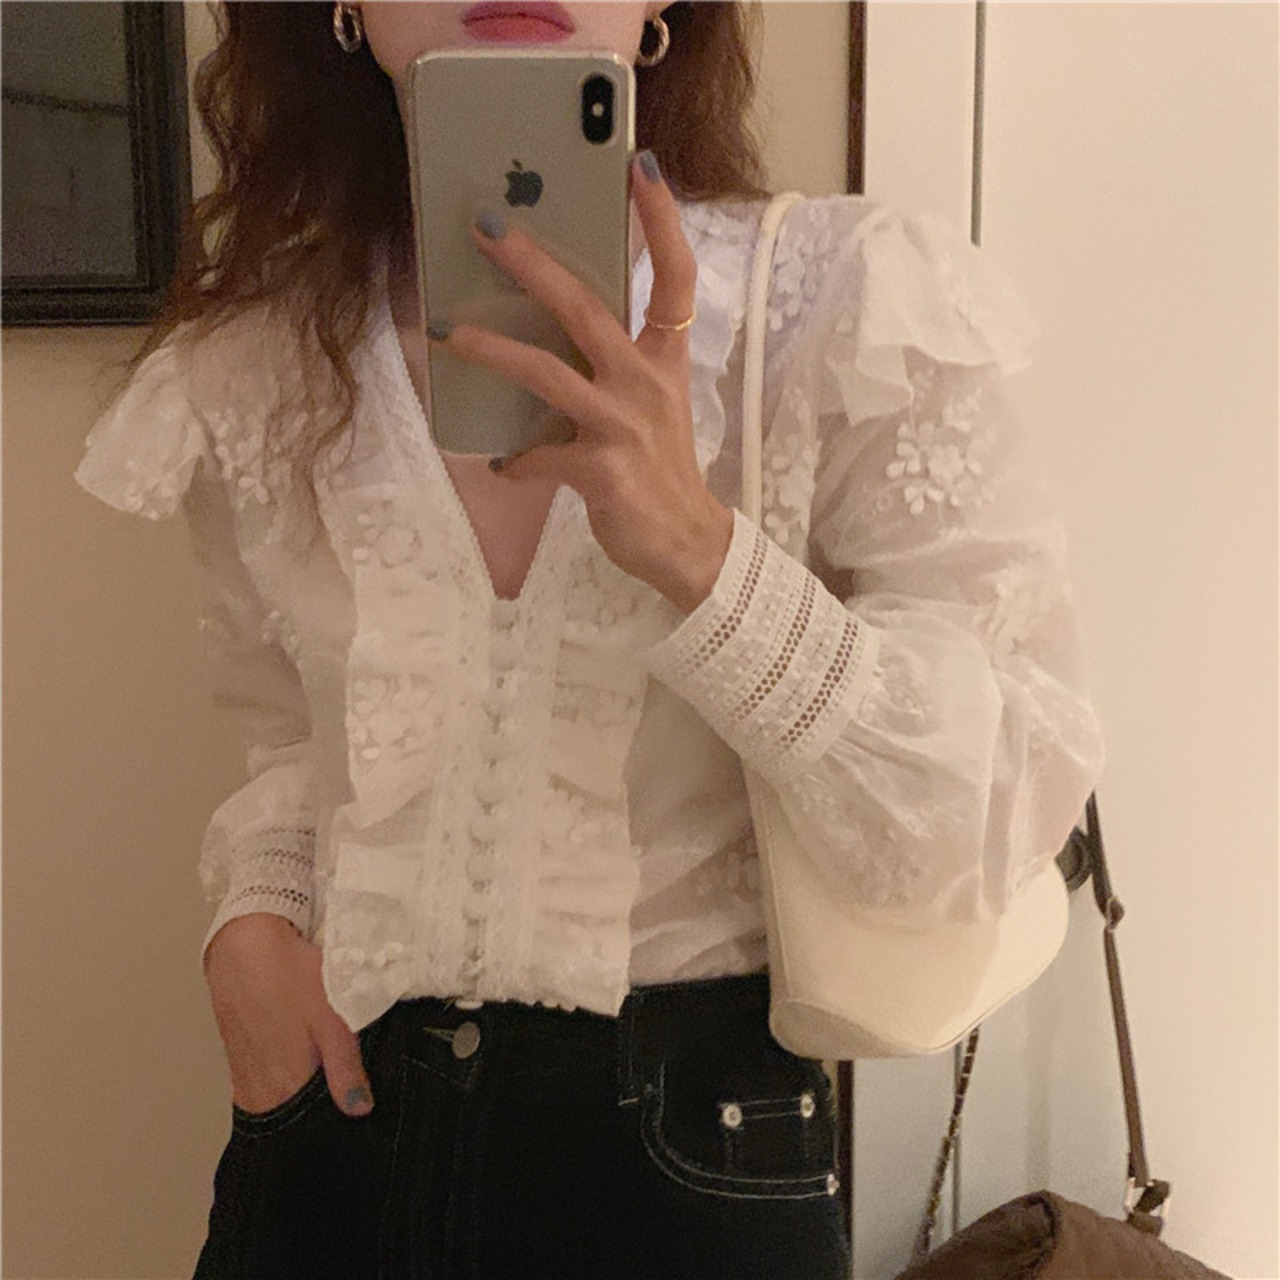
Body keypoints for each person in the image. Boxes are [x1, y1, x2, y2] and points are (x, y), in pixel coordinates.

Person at [74, 2, 1105, 1277]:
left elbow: (995, 808)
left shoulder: (834, 305)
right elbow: (289, 735)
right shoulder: (264, 357)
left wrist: (703, 555)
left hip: (689, 1150)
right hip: (333, 1124)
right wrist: (257, 911)